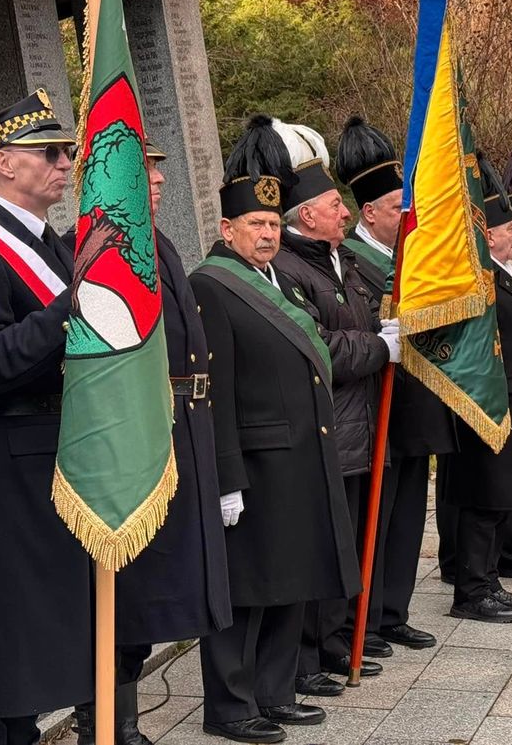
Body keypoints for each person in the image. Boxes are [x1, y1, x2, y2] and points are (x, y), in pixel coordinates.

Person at [190, 117, 360, 745]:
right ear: (226, 229)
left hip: (299, 456)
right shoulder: (210, 286)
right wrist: (226, 478)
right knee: (245, 593)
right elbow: (216, 393)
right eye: (253, 226)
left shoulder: (278, 279)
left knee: (289, 579)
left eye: (271, 225)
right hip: (256, 466)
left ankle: (275, 692)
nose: (265, 234)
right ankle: (231, 707)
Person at [0, 90, 93, 745]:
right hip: (15, 465)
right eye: (49, 153)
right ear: (3, 163)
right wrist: (71, 305)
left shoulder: (54, 245)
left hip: (64, 451)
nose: (65, 163)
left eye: (66, 152)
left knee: (57, 629)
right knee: (21, 638)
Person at [267, 118, 399, 687]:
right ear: (307, 216)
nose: (346, 212)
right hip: (332, 429)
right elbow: (320, 345)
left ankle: (339, 642)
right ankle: (316, 653)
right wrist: (378, 343)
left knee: (347, 547)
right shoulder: (293, 268)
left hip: (358, 426)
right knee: (325, 549)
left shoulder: (332, 259)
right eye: (334, 204)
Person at [113, 140, 233, 745]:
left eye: (158, 169)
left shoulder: (157, 241)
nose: (157, 179)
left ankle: (122, 720)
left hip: (184, 424)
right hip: (143, 436)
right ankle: (113, 723)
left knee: (169, 582)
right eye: (143, 169)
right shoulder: (108, 246)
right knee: (130, 589)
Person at [335, 115, 448, 651]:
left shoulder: (410, 257)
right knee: (373, 518)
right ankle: (365, 618)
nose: (408, 214)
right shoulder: (351, 259)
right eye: (398, 206)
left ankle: (393, 608)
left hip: (414, 399)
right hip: (373, 400)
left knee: (405, 513)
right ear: (371, 211)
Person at [438, 156, 512, 623]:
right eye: (509, 229)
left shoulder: (504, 274)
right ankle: (471, 590)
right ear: (489, 235)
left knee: (502, 501)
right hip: (493, 404)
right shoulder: (477, 280)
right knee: (484, 502)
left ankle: (488, 580)